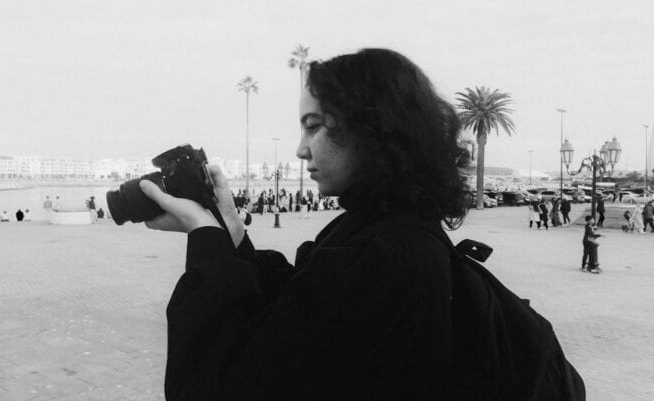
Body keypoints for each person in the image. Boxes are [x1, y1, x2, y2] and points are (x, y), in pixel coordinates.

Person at [138, 49, 483, 399]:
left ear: (374, 129)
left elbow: (227, 383)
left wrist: (207, 240)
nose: (301, 149)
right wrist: (231, 232)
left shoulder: (387, 256)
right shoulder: (387, 230)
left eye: (314, 126)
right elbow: (297, 309)